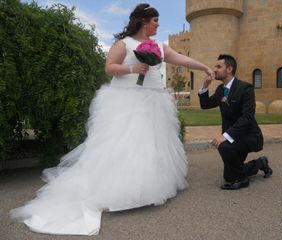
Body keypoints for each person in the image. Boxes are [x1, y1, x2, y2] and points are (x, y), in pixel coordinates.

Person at [10, 3, 213, 236]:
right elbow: (109, 68)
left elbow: (181, 60)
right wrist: (134, 69)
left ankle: (147, 190)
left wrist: (204, 67)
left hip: (154, 101)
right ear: (144, 21)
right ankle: (121, 192)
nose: (158, 24)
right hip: (127, 101)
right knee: (125, 146)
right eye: (155, 20)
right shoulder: (123, 43)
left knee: (151, 146)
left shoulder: (159, 46)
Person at [198, 54, 273, 190]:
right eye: (215, 66)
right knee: (228, 176)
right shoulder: (221, 90)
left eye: (218, 66)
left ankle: (242, 180)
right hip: (234, 138)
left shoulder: (245, 88)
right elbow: (206, 104)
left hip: (248, 136)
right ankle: (260, 163)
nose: (214, 70)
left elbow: (247, 118)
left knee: (224, 147)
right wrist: (205, 86)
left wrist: (225, 136)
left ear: (229, 69)